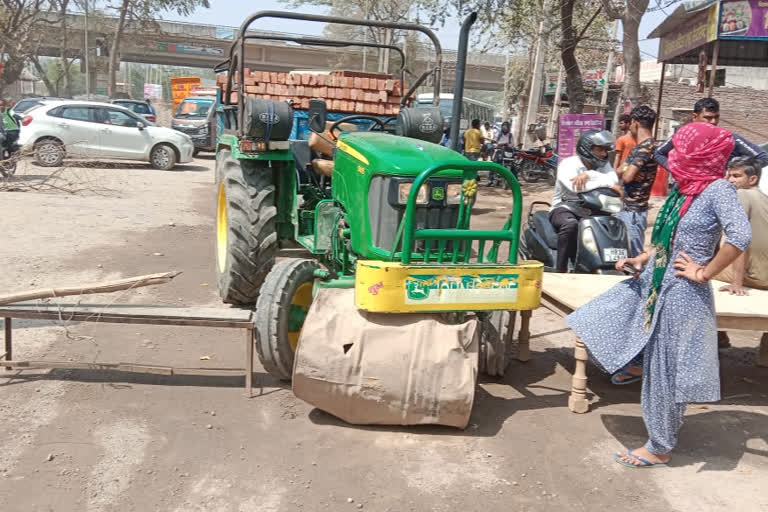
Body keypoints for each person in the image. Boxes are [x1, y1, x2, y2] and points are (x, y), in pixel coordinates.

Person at [567, 122, 751, 468]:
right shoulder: (686, 189)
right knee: (598, 320)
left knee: (666, 368)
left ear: (701, 154)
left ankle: (660, 445)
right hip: (655, 279)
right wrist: (642, 256)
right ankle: (634, 364)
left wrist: (704, 271)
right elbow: (672, 239)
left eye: (684, 148)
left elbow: (740, 236)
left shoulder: (717, 190)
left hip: (683, 292)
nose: (677, 154)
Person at [549, 130, 620, 272]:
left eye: (605, 150)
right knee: (570, 225)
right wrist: (604, 182)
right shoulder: (567, 164)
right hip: (564, 207)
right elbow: (576, 187)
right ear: (586, 149)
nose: (604, 154)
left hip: (593, 209)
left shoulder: (603, 165)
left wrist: (588, 174)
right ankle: (560, 269)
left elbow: (614, 180)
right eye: (599, 150)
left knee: (613, 227)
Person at [716, 157, 768, 348]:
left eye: (736, 176)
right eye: (729, 175)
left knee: (699, 271)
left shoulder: (742, 195)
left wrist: (736, 282)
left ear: (752, 179)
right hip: (764, 273)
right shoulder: (764, 198)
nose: (730, 180)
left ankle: (717, 336)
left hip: (753, 276)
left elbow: (739, 241)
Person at [655, 97, 768, 169]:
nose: (713, 122)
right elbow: (658, 153)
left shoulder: (729, 139)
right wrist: (676, 169)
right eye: (708, 118)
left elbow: (763, 157)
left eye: (716, 117)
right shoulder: (682, 136)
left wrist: (737, 170)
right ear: (695, 117)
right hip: (684, 191)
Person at [615, 106, 658, 257]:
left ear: (635, 122)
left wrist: (628, 171)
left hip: (634, 211)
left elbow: (626, 176)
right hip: (628, 208)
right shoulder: (639, 147)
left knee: (633, 257)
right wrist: (628, 169)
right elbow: (620, 170)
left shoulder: (646, 148)